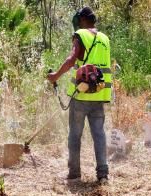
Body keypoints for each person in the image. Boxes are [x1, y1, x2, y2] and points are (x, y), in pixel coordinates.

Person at [47, 6, 111, 184]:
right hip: (99, 96)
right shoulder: (105, 38)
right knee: (99, 134)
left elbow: (71, 59)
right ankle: (103, 175)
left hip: (81, 96)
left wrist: (55, 76)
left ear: (82, 20)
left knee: (75, 135)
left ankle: (74, 174)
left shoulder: (81, 35)